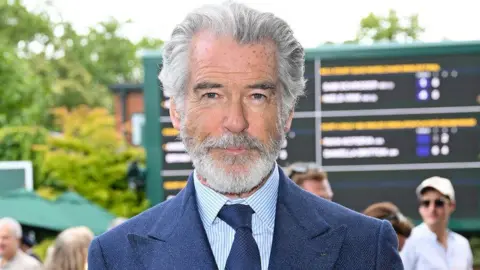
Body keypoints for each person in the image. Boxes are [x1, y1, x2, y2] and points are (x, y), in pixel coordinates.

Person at [88, 2, 403, 269]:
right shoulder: (116, 257)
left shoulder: (366, 248)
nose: (235, 122)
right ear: (176, 111)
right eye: (212, 95)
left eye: (257, 96)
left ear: (288, 112)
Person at [400, 176, 473, 269]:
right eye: (426, 203)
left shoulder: (462, 244)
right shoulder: (409, 241)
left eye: (439, 203)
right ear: (420, 207)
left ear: (452, 205)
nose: (432, 209)